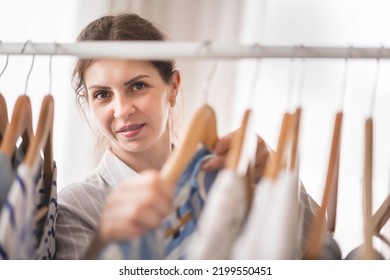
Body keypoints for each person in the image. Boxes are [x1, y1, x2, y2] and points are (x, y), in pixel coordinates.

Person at [55, 13, 318, 260]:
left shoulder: (224, 181)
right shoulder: (77, 208)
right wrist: (104, 245)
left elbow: (316, 244)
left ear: (173, 88)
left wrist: (278, 176)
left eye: (138, 86)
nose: (122, 110)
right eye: (102, 94)